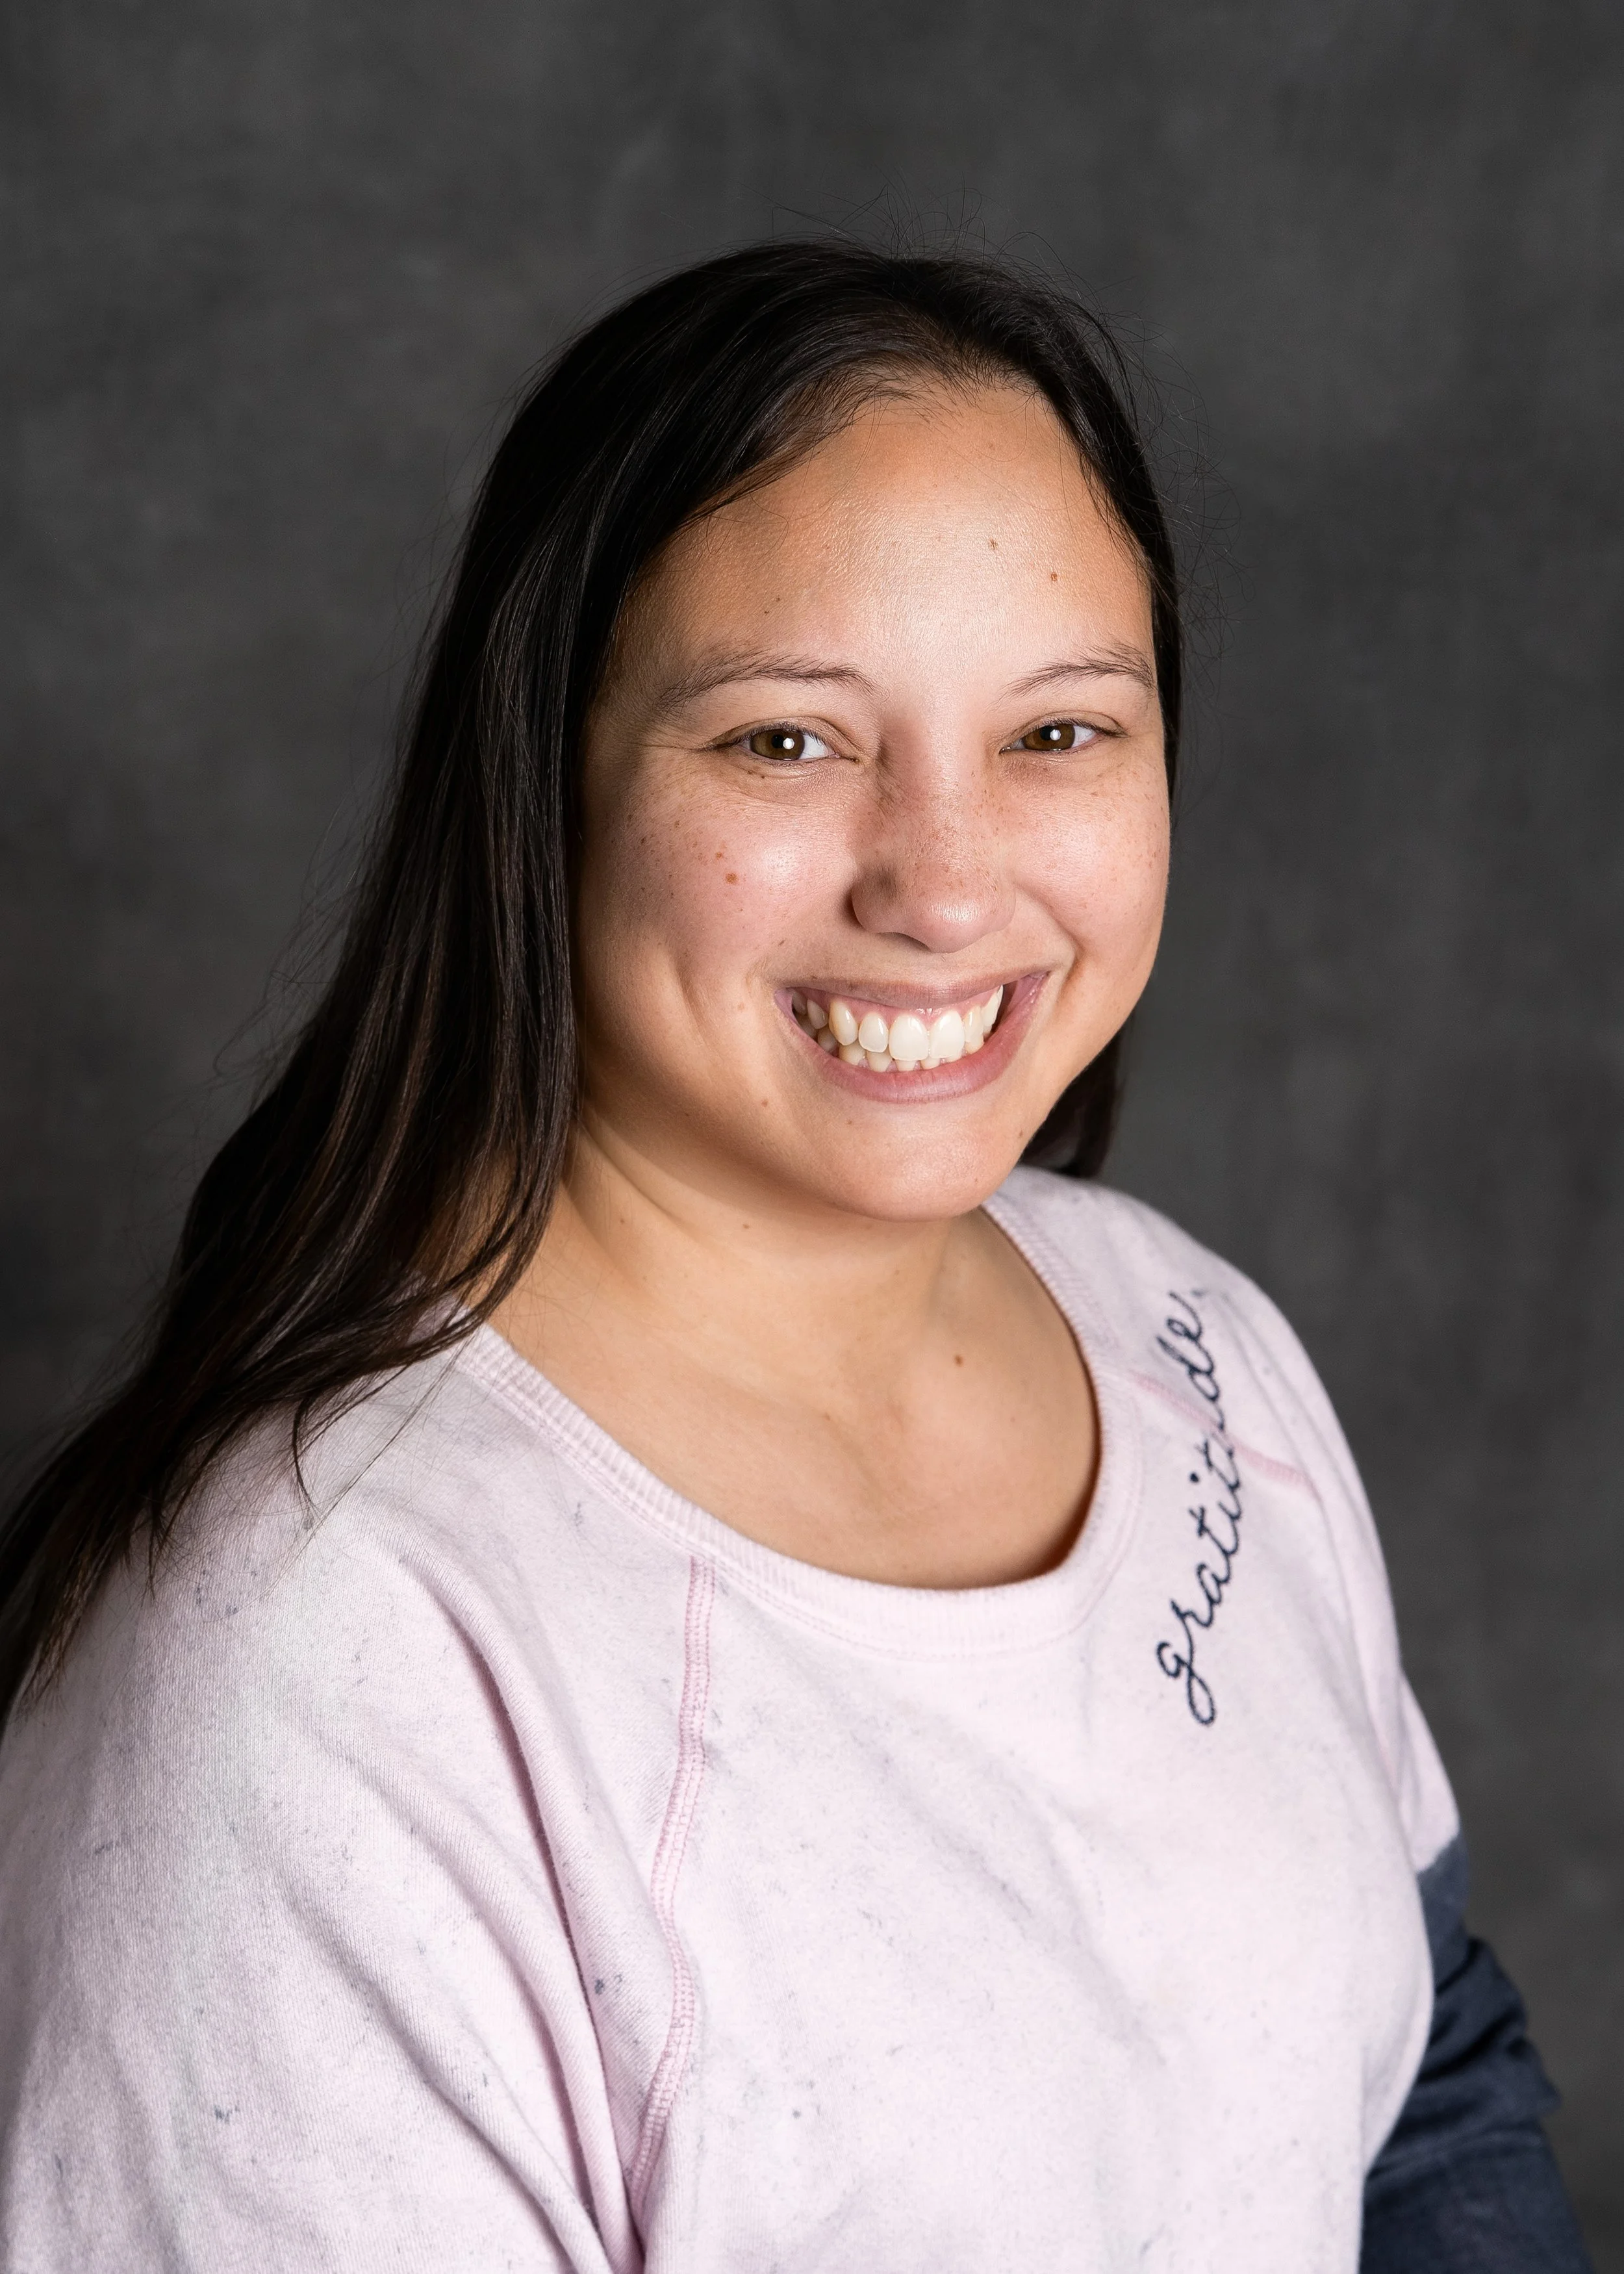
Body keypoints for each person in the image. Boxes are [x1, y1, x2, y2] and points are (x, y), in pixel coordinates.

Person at [0, 242, 1592, 2273]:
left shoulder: (1184, 1332)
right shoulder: (315, 1668)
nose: (943, 883)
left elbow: (1414, 2085)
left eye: (1059, 732)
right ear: (543, 786)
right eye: (784, 741)